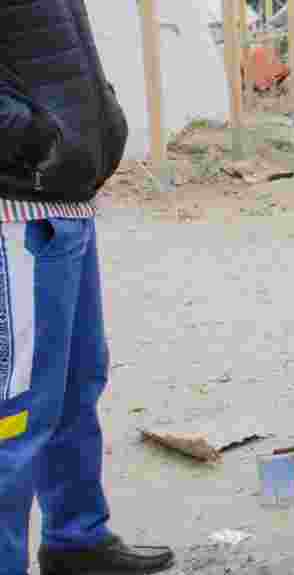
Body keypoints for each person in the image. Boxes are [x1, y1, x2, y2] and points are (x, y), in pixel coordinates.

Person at [0, 2, 175, 574]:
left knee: (76, 385)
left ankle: (76, 543)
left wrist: (103, 118)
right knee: (15, 416)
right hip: (15, 212)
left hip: (64, 203)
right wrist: (32, 136)